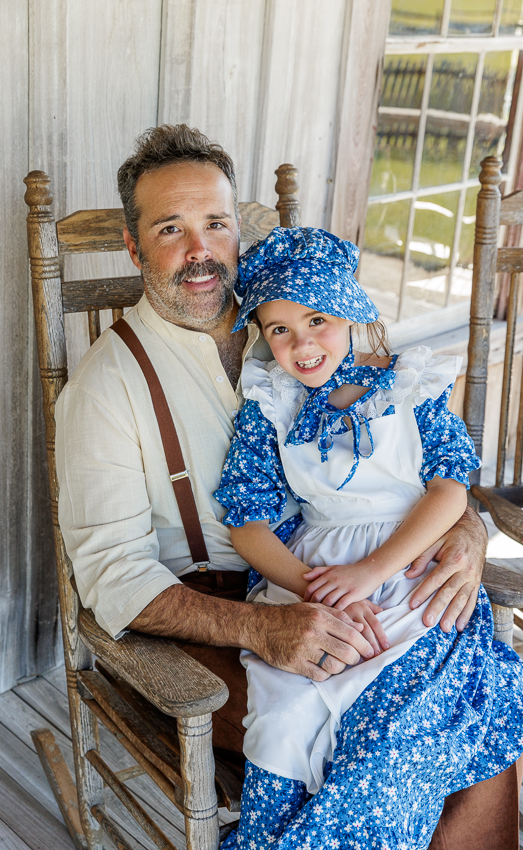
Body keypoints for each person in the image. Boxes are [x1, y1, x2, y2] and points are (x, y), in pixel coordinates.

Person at [54, 124, 519, 848]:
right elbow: (111, 576)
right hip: (215, 619)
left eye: (214, 224)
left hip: (354, 582)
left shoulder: (297, 335)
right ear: (133, 244)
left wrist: (459, 529)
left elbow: (411, 465)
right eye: (170, 228)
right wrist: (260, 626)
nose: (198, 250)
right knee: (397, 722)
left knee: (469, 696)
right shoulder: (104, 388)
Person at [212, 226, 523, 849]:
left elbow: (448, 492)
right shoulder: (270, 403)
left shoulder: (409, 385)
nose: (301, 345)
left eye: (317, 319)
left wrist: (372, 572)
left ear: (352, 312)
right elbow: (245, 519)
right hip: (314, 573)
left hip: (406, 564)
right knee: (286, 722)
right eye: (278, 330)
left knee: (396, 721)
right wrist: (318, 589)